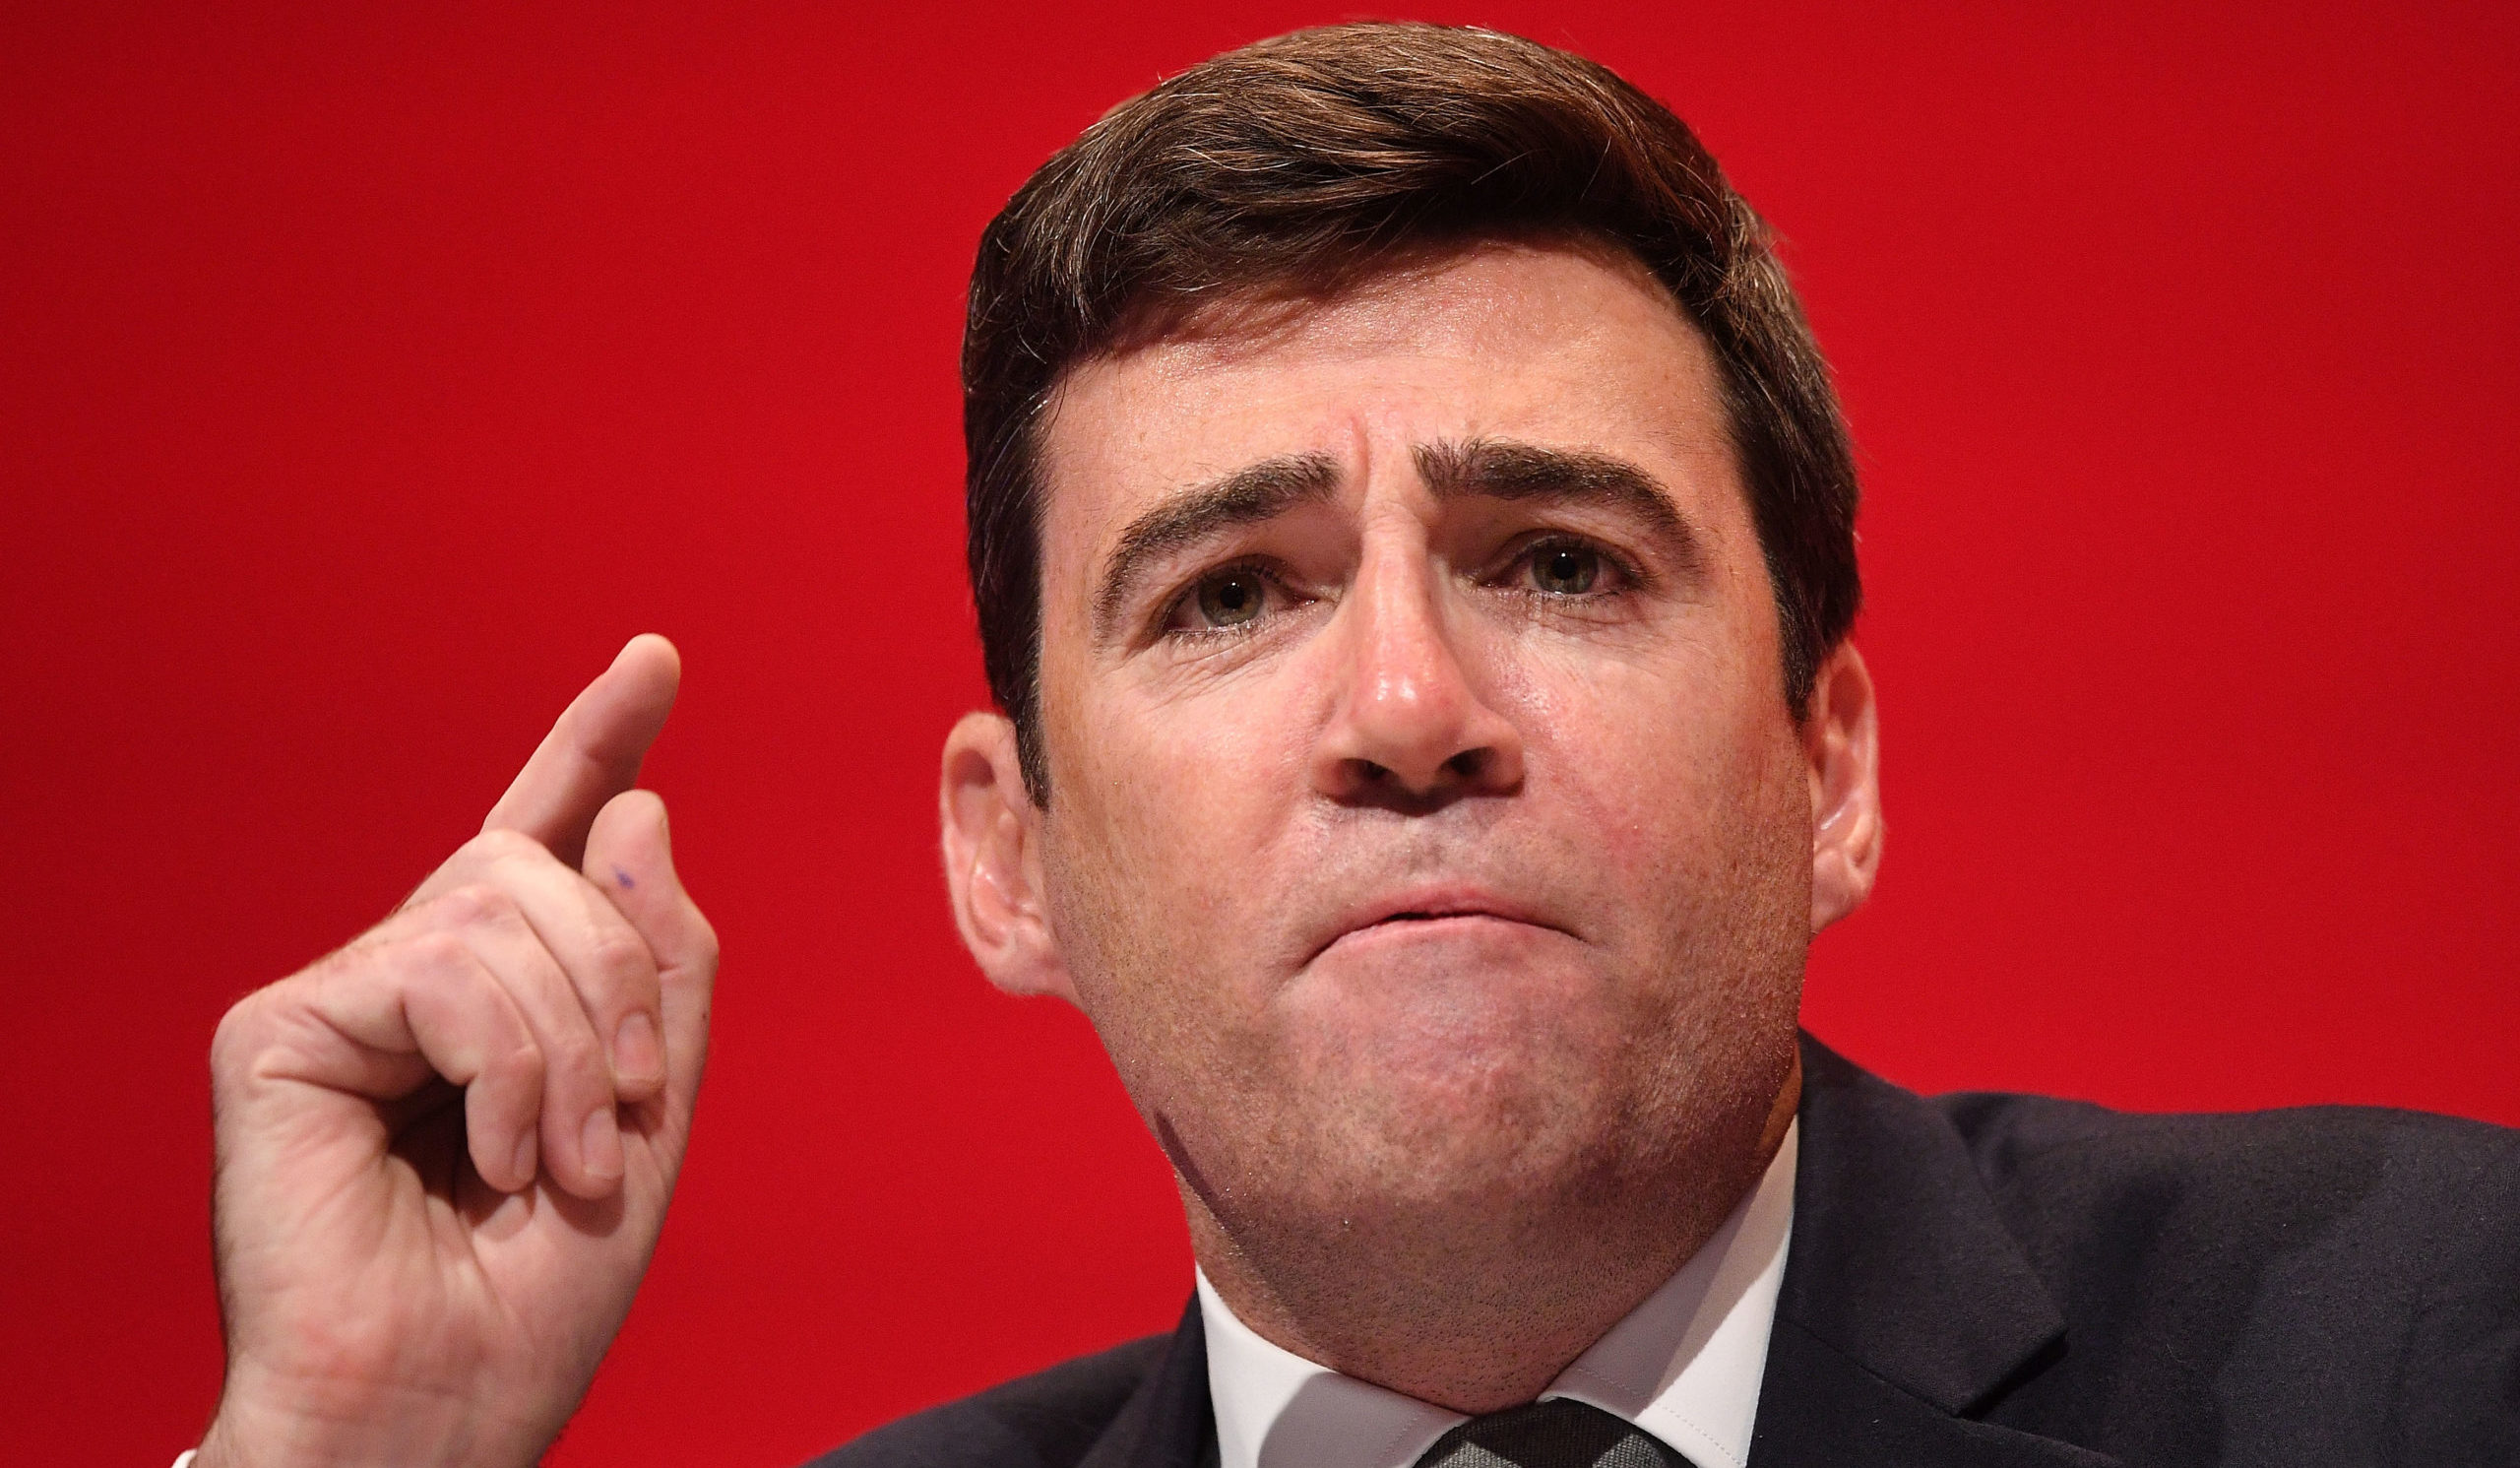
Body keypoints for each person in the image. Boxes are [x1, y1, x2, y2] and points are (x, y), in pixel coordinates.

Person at [185, 23, 2517, 1468]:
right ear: (1011, 857)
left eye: (1557, 560)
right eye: (1228, 592)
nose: (1406, 709)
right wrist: (345, 1450)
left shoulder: (2428, 1340)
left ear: (1826, 762)